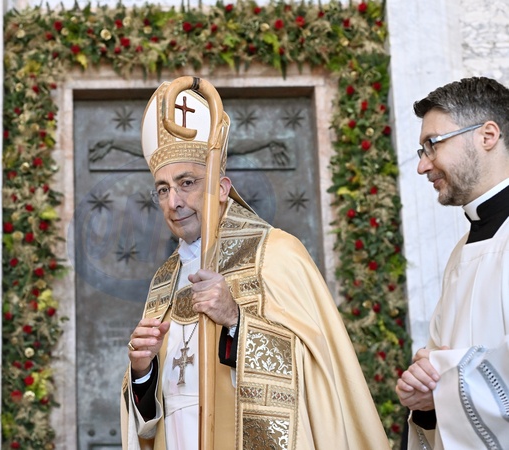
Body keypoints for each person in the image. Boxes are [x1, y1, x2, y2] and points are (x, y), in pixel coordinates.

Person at [120, 78, 390, 449]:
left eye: (187, 183)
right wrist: (142, 371)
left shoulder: (276, 252)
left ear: (221, 188)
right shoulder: (164, 280)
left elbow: (313, 373)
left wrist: (235, 320)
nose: (174, 202)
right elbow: (156, 414)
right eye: (163, 189)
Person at [395, 76, 509, 449]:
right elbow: (439, 366)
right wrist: (424, 397)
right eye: (422, 150)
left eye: (433, 144)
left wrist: (445, 385)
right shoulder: (462, 250)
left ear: (487, 136)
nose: (422, 166)